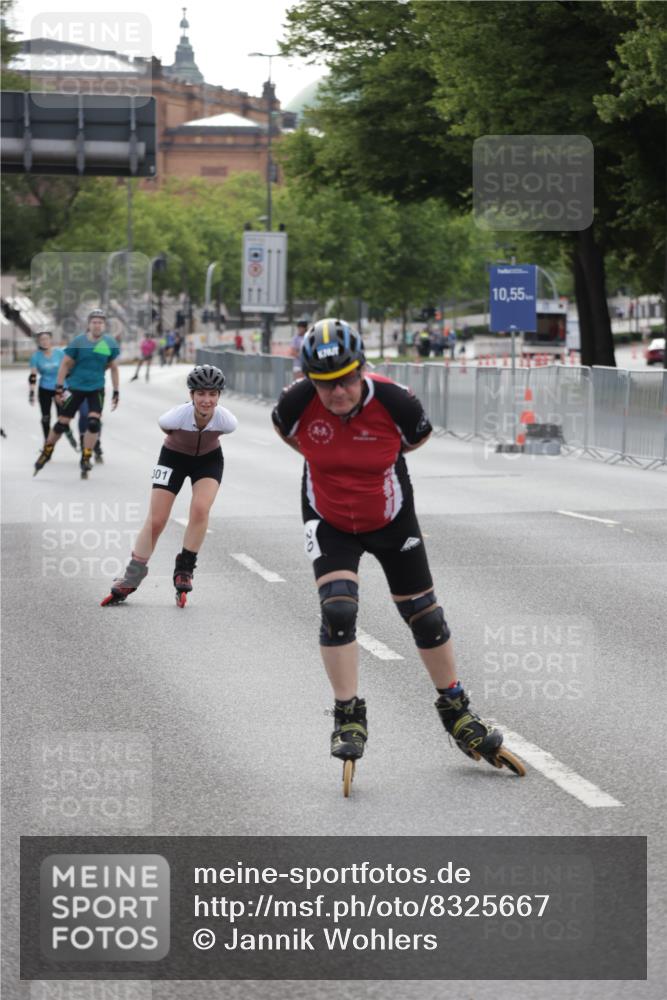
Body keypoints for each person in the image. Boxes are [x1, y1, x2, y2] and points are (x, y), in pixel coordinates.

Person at [271, 318, 524, 776]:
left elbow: (416, 439)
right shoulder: (295, 405)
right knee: (339, 609)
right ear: (309, 379)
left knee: (425, 614)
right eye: (324, 384)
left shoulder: (396, 402)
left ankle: (456, 708)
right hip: (328, 518)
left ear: (362, 369)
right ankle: (347, 714)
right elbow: (288, 434)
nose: (337, 393)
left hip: (390, 517)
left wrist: (368, 459)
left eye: (346, 380)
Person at [101, 364, 237, 606]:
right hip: (172, 458)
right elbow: (165, 428)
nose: (206, 400)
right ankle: (132, 575)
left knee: (200, 509)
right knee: (157, 519)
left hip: (208, 461)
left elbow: (222, 433)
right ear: (191, 395)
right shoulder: (175, 416)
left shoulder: (227, 421)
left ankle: (185, 569)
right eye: (200, 394)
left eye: (212, 394)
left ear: (219, 395)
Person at [33, 309, 119, 479]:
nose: (97, 325)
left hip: (96, 388)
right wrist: (59, 388)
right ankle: (47, 450)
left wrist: (116, 391)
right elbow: (65, 365)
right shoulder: (78, 341)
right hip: (75, 388)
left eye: (100, 322)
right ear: (89, 324)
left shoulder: (109, 343)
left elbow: (113, 367)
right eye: (94, 322)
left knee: (94, 423)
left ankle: (86, 456)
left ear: (104, 325)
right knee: (62, 424)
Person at [28, 331, 77, 451]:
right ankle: (47, 445)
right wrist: (31, 392)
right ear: (39, 342)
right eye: (42, 340)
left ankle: (69, 433)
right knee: (45, 418)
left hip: (61, 388)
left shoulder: (60, 353)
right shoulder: (36, 357)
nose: (44, 341)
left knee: (63, 417)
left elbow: (69, 368)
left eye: (46, 339)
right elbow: (33, 376)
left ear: (51, 340)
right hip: (44, 389)